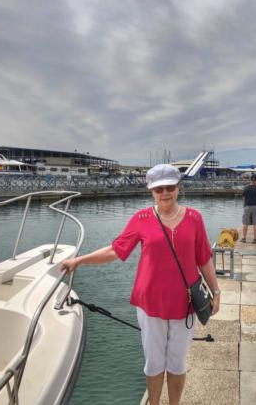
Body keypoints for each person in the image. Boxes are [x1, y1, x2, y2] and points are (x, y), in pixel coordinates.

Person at [60, 164, 221, 405]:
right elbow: (115, 250)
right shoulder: (142, 218)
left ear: (179, 188)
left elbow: (204, 257)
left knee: (177, 362)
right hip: (150, 301)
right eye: (158, 189)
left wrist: (216, 290)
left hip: (185, 302)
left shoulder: (194, 218)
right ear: (151, 192)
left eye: (169, 187)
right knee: (154, 362)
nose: (164, 193)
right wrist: (80, 260)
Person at [241, 174, 256, 243]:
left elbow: (243, 198)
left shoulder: (245, 188)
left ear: (250, 180)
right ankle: (255, 239)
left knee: (245, 223)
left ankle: (244, 238)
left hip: (247, 206)